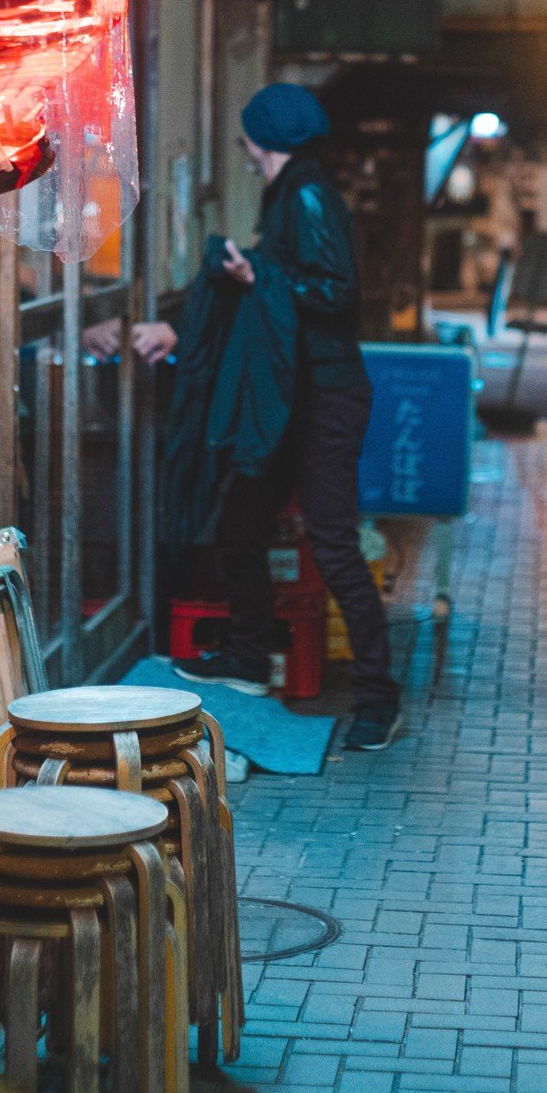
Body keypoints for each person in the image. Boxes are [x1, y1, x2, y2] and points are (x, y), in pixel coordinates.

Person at [169, 82, 400, 752]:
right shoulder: (293, 191)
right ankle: (247, 654)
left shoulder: (306, 193)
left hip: (325, 394)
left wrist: (255, 277)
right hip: (290, 391)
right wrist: (259, 270)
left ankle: (378, 697)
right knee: (240, 519)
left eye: (246, 132)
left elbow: (336, 292)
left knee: (331, 542)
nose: (243, 143)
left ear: (259, 136)